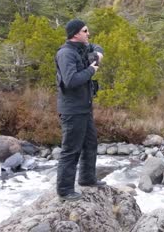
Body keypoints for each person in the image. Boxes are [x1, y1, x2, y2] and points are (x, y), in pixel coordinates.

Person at [55, 19, 106, 202]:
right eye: (85, 31)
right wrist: (92, 70)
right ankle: (65, 190)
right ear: (76, 33)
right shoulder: (66, 54)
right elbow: (71, 81)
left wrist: (97, 54)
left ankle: (87, 178)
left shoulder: (82, 47)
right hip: (72, 110)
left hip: (84, 107)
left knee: (90, 144)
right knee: (71, 150)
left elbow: (97, 46)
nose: (88, 33)